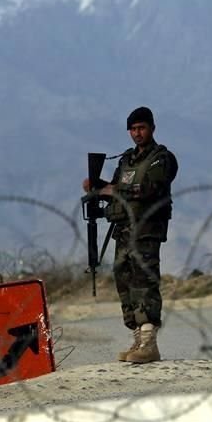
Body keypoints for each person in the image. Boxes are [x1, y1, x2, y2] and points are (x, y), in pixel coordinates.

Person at [82, 106, 178, 364]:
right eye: (133, 129)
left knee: (144, 280)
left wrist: (112, 189)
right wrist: (97, 186)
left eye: (142, 128)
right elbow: (116, 188)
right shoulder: (126, 160)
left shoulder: (162, 158)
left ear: (152, 128)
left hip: (146, 230)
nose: (137, 133)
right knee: (124, 280)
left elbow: (150, 188)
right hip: (124, 231)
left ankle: (149, 342)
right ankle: (138, 336)